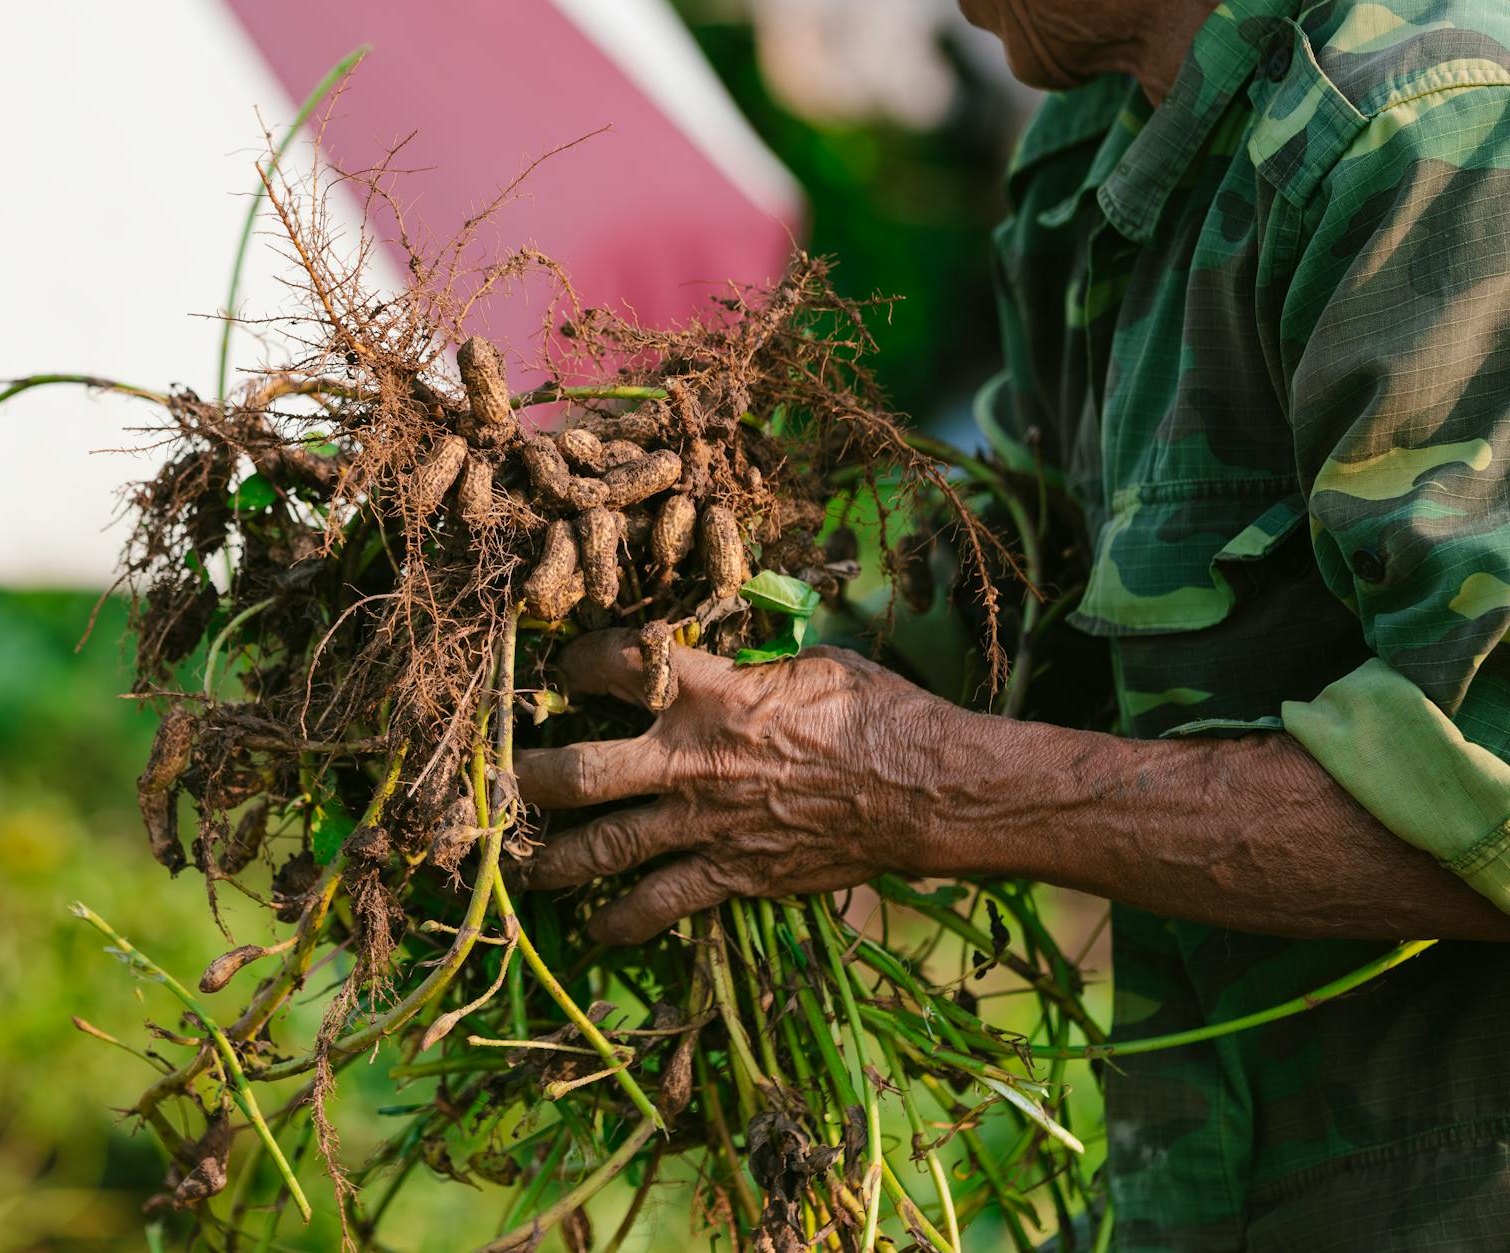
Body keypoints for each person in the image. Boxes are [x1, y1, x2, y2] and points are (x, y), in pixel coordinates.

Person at [516, 0, 1510, 1246]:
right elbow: (1044, 554)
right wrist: (702, 623)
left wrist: (915, 785)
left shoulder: (1433, 139)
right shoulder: (1097, 141)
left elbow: (1491, 788)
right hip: (1202, 1191)